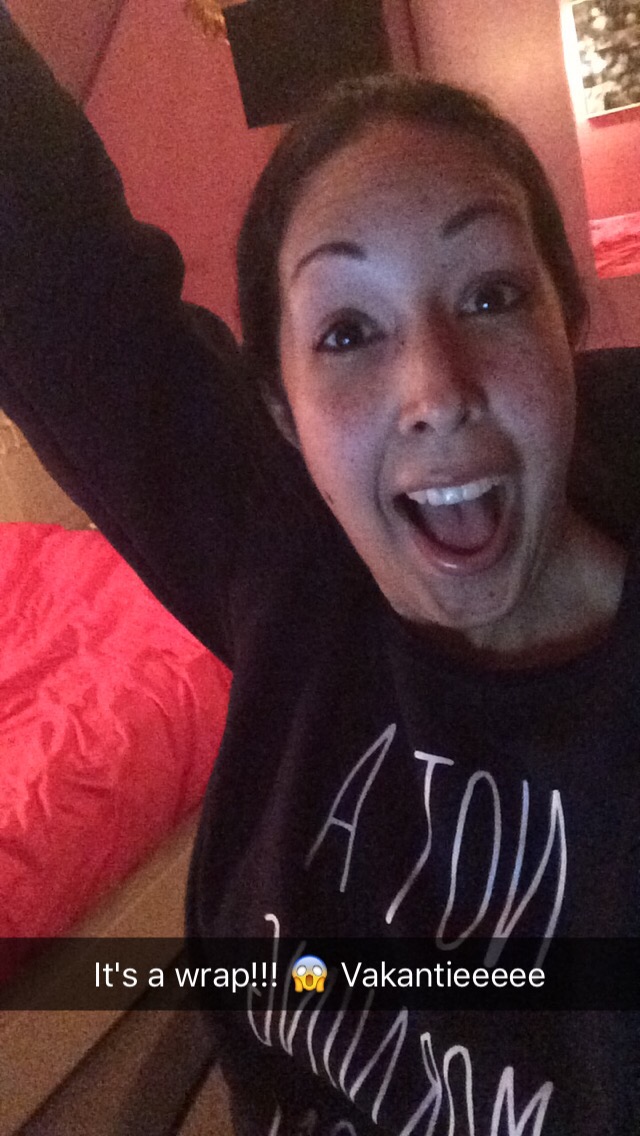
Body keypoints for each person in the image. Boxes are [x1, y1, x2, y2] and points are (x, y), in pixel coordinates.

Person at [1, 5, 639, 1133]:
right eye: (348, 332)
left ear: (567, 327)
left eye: (490, 295)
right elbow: (51, 266)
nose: (434, 391)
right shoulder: (287, 557)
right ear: (284, 416)